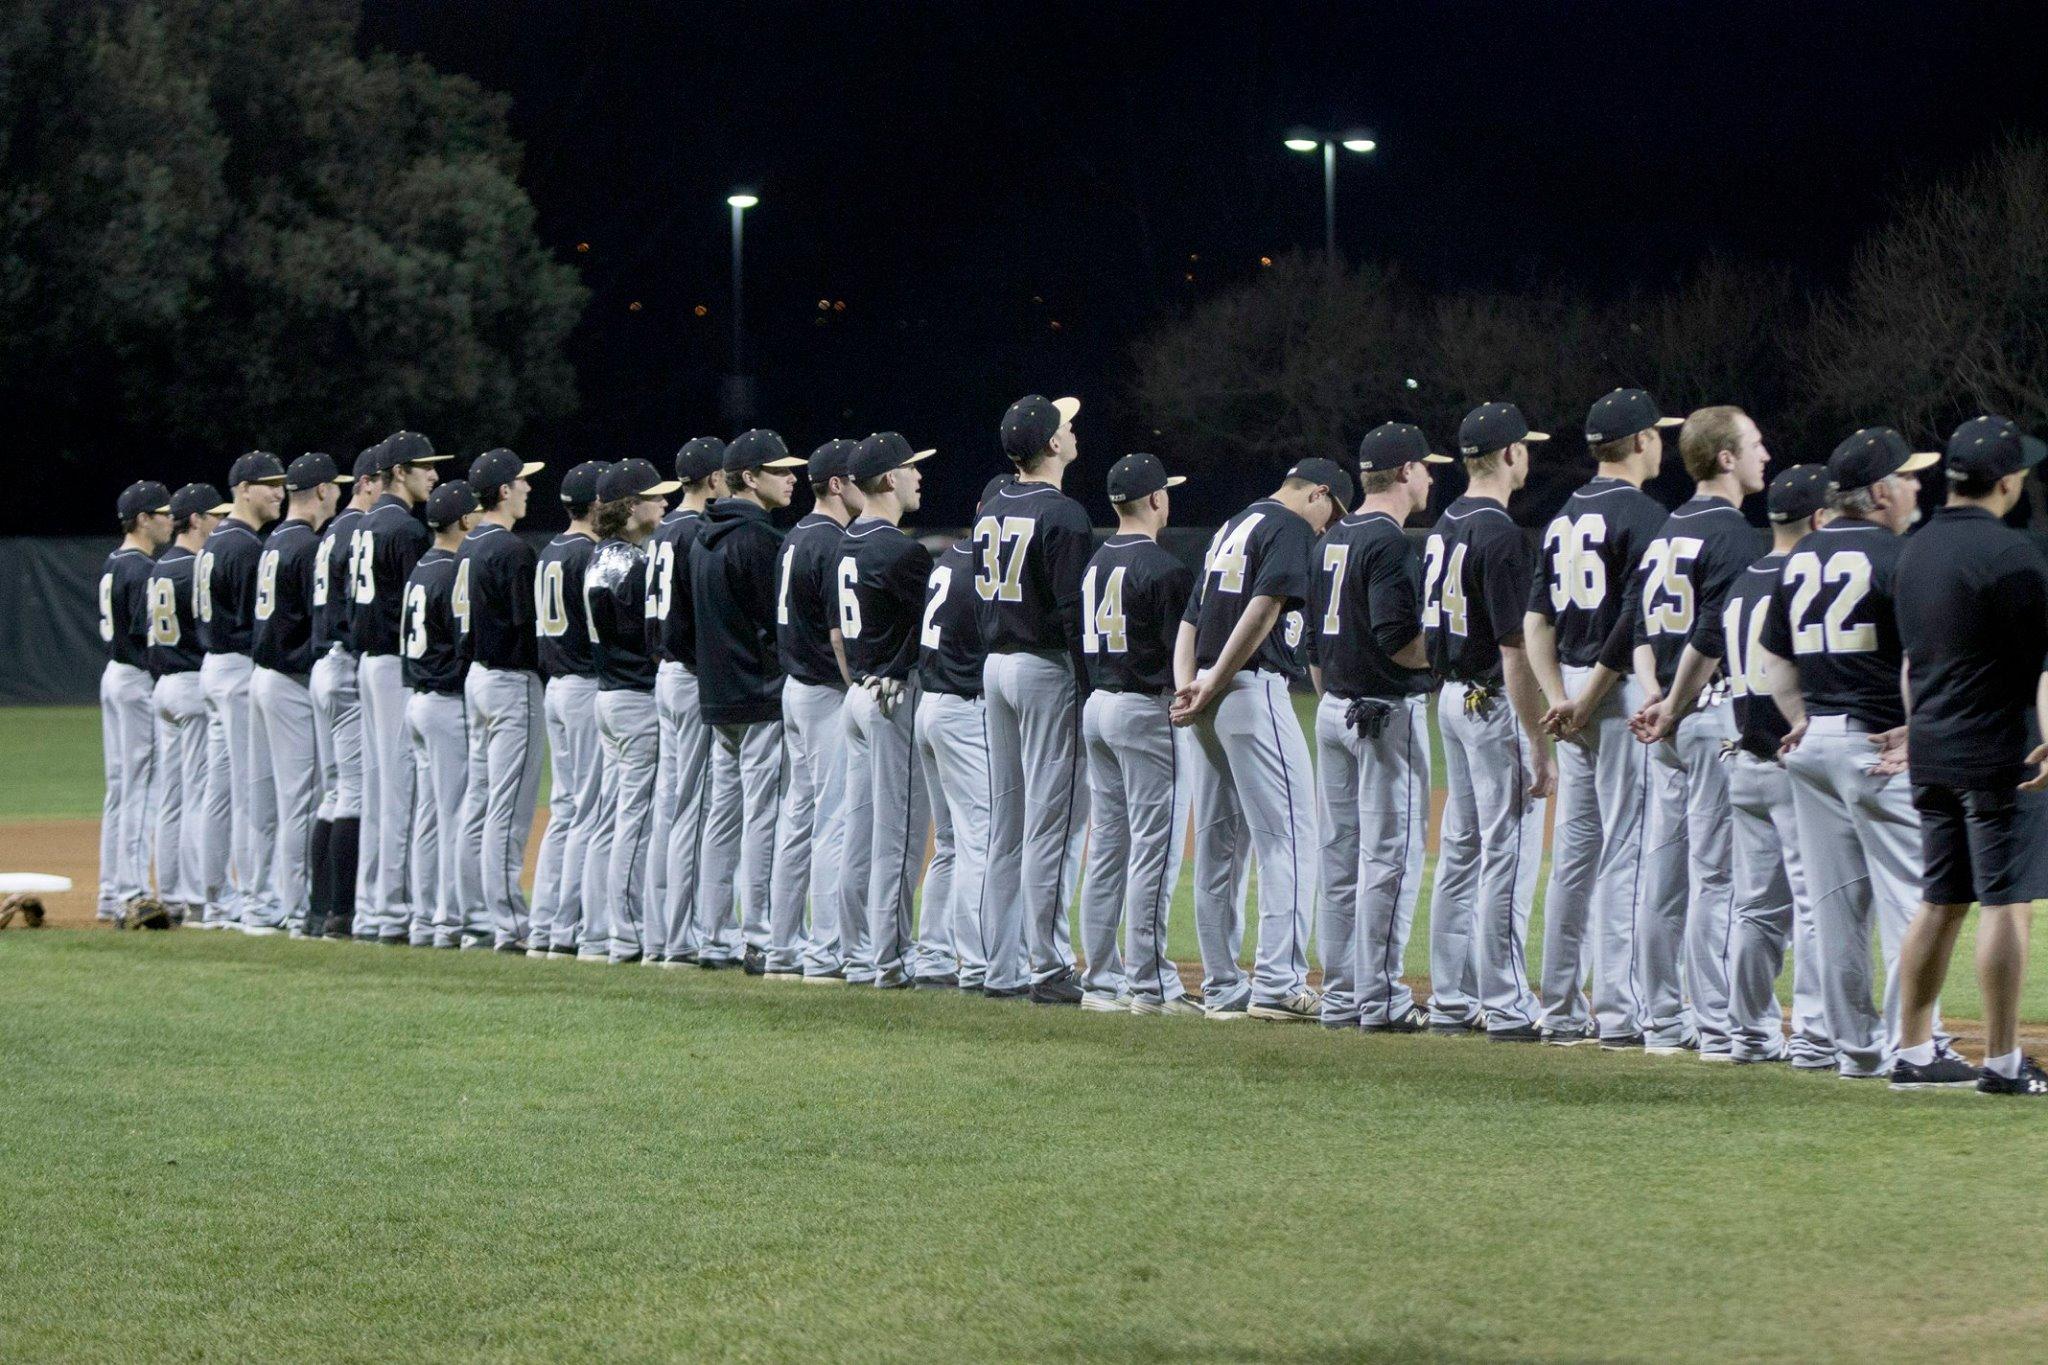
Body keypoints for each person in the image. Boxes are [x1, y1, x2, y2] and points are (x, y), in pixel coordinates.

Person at [1755, 426, 1952, 1080]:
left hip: (1815, 750)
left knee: (1835, 908)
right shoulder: (1900, 556)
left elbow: (1771, 657)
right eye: (1909, 475)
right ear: (1879, 492)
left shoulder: (1801, 555)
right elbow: (1920, 661)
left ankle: (1855, 1049)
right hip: (1879, 745)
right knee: (1913, 900)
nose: (1918, 484)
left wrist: (1802, 720)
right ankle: (1914, 1045)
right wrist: (1917, 726)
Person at [1892, 415, 2048, 1096]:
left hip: (1931, 744)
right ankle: (2005, 1062)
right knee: (2007, 904)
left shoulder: (1912, 550)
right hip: (1998, 750)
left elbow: (1909, 661)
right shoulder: (2013, 555)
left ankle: (1915, 1049)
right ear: (2007, 482)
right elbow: (2044, 663)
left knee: (1939, 900)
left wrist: (1912, 727)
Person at [1520, 390, 1677, 1047]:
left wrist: (1559, 693)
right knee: (1625, 855)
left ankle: (1558, 1008)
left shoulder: (1562, 515)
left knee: (1577, 857)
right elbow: (1633, 621)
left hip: (1574, 693)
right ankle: (1618, 1013)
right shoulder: (1646, 514)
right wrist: (1586, 698)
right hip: (1614, 695)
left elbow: (1536, 621)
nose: (1662, 442)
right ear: (1640, 440)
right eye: (1657, 433)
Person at [1174, 456, 1348, 1022]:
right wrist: (1219, 680)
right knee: (1293, 836)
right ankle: (1278, 982)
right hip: (1248, 690)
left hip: (1206, 693)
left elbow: (1190, 621)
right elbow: (1265, 606)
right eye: (1331, 513)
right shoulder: (1291, 526)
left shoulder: (1233, 525)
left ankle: (1224, 987)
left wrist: (1190, 687)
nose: (1326, 526)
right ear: (1318, 493)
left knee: (1220, 846)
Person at [1627, 406, 1772, 1058]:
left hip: (1667, 714)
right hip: (1704, 714)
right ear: (1725, 458)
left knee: (1664, 873)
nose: (1764, 454)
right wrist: (1679, 703)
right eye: (1755, 444)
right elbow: (1713, 636)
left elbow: (1635, 630)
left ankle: (1662, 1022)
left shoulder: (1665, 527)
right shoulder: (1735, 533)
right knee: (1714, 877)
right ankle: (1717, 1027)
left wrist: (1655, 695)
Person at [1421, 403, 1557, 1042]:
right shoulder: (1501, 534)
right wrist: (1537, 740)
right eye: (1523, 446)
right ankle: (1505, 1004)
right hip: (1487, 703)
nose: (1527, 454)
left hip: (1449, 698)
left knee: (1460, 850)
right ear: (1508, 455)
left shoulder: (1445, 522)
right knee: (1505, 851)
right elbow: (1515, 652)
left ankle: (1451, 998)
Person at [1309, 424, 1444, 1032]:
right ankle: (1382, 1000)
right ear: (1407, 471)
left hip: (1334, 710)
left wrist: (1333, 699)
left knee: (1339, 861)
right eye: (1427, 468)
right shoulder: (1389, 542)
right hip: (1382, 716)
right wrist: (1452, 657)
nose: (1433, 479)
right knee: (1390, 860)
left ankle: (1340, 997)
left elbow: (1313, 644)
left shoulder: (1331, 537)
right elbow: (1399, 643)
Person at [1717, 465, 1837, 1069]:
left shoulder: (1743, 580)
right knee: (1816, 903)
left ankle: (1750, 1034)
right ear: (1818, 519)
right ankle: (1816, 1036)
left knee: (1756, 910)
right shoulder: (1804, 577)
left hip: (1744, 758)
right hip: (1792, 761)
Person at [978, 394, 1094, 1003]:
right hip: (1044, 668)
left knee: (1009, 825)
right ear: (1052, 444)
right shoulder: (1065, 514)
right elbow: (1076, 615)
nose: (1073, 432)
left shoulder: (992, 501)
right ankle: (1047, 967)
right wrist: (1091, 682)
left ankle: (1000, 966)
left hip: (995, 666)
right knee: (1052, 825)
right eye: (1066, 427)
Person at [1076, 453, 1198, 1015]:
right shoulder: (1166, 569)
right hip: (1145, 711)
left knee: (1108, 847)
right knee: (1155, 848)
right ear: (1154, 500)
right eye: (1165, 491)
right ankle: (1150, 985)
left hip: (1098, 704)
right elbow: (1184, 656)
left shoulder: (1096, 561)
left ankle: (1100, 979)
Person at [692, 429, 806, 970]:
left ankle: (712, 934)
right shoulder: (759, 539)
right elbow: (776, 625)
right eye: (779, 470)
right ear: (749, 478)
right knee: (764, 817)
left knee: (722, 817)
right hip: (759, 697)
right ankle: (758, 934)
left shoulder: (701, 535)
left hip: (717, 697)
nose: (791, 478)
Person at [836, 432, 937, 989]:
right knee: (897, 836)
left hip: (858, 694)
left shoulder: (845, 542)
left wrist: (860, 678)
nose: (918, 476)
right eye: (910, 467)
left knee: (859, 832)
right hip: (892, 696)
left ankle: (855, 953)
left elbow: (836, 633)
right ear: (888, 480)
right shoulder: (900, 550)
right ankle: (891, 960)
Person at [766, 438, 862, 980]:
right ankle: (824, 949)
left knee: (799, 820)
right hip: (825, 692)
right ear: (836, 485)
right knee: (832, 821)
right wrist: (857, 690)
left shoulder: (795, 536)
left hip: (794, 689)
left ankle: (784, 947)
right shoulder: (832, 542)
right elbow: (838, 634)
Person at [350, 431, 447, 943]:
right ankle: (392, 910)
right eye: (425, 467)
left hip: (368, 662)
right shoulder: (406, 530)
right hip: (393, 665)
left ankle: (372, 907)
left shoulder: (366, 522)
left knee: (377, 787)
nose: (434, 475)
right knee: (399, 791)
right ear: (400, 472)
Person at [581, 458, 677, 964]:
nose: (664, 502)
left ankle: (599, 930)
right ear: (629, 506)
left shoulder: (600, 556)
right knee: (636, 822)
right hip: (634, 698)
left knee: (613, 819)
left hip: (609, 696)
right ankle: (626, 933)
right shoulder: (631, 563)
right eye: (655, 495)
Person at [913, 477, 1005, 994]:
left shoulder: (950, 558)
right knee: (979, 838)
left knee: (949, 842)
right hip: (961, 711)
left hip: (931, 704)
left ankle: (934, 954)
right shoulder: (983, 570)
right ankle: (977, 962)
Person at [249, 452, 345, 935]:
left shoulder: (274, 541)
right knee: (303, 800)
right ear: (323, 491)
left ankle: (282, 901)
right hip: (289, 679)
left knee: (287, 798)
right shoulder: (307, 544)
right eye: (336, 487)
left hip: (269, 674)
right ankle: (297, 905)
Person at [457, 448, 546, 952]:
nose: (529, 488)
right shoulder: (510, 550)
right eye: (522, 482)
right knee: (508, 810)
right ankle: (509, 923)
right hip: (510, 681)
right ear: (504, 490)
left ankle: (476, 917)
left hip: (477, 680)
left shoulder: (470, 544)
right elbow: (526, 627)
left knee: (480, 804)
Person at [197, 451, 286, 931]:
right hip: (236, 669)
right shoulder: (246, 547)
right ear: (244, 488)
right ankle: (257, 902)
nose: (279, 491)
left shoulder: (215, 541)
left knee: (220, 791)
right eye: (270, 483)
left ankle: (216, 900)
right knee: (255, 792)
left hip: (213, 667)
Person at [646, 438, 723, 965]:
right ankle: (680, 939)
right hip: (690, 674)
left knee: (670, 807)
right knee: (691, 810)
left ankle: (659, 936)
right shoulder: (696, 531)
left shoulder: (662, 529)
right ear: (715, 480)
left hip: (663, 674)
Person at [530, 460, 611, 957]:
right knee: (587, 810)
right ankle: (568, 927)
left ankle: (544, 924)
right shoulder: (589, 553)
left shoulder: (552, 550)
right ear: (597, 504)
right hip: (582, 686)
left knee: (564, 809)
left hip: (555, 687)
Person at [400, 481, 483, 948]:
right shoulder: (452, 572)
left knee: (430, 816)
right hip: (446, 702)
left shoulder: (420, 569)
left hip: (418, 699)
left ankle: (425, 917)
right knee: (453, 814)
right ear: (466, 521)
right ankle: (450, 919)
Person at [306, 449, 382, 939]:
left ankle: (319, 909)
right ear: (370, 482)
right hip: (346, 661)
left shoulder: (332, 529)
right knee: (352, 791)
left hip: (323, 664)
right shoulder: (359, 529)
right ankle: (341, 911)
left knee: (335, 791)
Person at [148, 484, 226, 925]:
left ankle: (173, 895)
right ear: (194, 520)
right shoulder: (195, 568)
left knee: (172, 799)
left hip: (163, 686)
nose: (218, 522)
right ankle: (198, 900)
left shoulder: (161, 567)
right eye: (212, 516)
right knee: (198, 794)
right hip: (193, 685)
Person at [99, 480, 172, 925]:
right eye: (162, 513)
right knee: (141, 788)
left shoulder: (114, 562)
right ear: (143, 519)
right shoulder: (140, 569)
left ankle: (111, 891)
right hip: (135, 678)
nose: (170, 520)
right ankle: (132, 890)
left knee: (121, 786)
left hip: (115, 676)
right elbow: (150, 636)